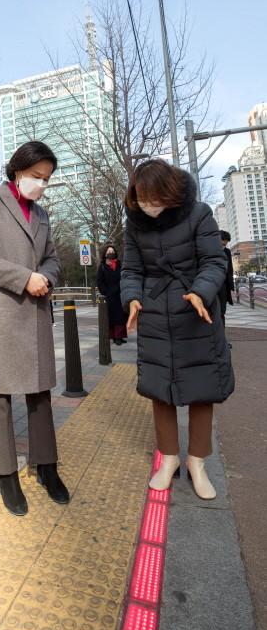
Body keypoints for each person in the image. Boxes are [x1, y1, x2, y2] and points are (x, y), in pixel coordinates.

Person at [0, 140, 69, 516]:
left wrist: (46, 277)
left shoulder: (41, 214)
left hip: (34, 311)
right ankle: (4, 472)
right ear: (18, 171)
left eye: (47, 179)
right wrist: (25, 278)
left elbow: (52, 258)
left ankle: (47, 466)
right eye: (37, 176)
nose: (41, 184)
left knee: (40, 393)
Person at [121, 159, 234, 500]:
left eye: (152, 197)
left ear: (168, 191)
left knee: (202, 387)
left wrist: (201, 291)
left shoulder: (198, 213)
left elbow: (214, 261)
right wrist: (132, 299)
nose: (147, 205)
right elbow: (131, 270)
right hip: (155, 311)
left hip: (196, 310)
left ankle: (197, 462)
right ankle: (169, 458)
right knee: (160, 388)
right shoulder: (135, 223)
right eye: (141, 198)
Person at [96, 243, 128, 345]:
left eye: (112, 251)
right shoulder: (102, 266)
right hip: (109, 295)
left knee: (121, 316)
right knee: (111, 317)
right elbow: (99, 281)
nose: (111, 253)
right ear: (105, 254)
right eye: (109, 252)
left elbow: (124, 276)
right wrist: (105, 291)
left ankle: (120, 336)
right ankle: (114, 336)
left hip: (120, 294)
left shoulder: (119, 264)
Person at [218, 230, 234, 326]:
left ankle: (221, 334)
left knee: (222, 311)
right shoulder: (207, 250)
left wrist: (231, 286)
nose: (223, 246)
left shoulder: (227, 251)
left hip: (223, 285)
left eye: (225, 244)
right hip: (210, 284)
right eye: (222, 244)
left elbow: (230, 269)